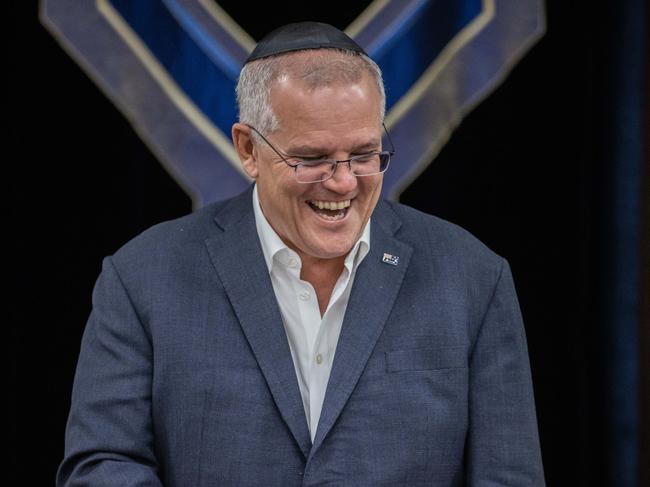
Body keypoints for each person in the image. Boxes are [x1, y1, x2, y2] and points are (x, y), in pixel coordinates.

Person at [57, 22, 545, 486]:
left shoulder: (473, 278)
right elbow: (105, 463)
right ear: (248, 149)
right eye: (311, 158)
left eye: (364, 154)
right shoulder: (143, 277)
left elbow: (508, 475)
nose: (343, 182)